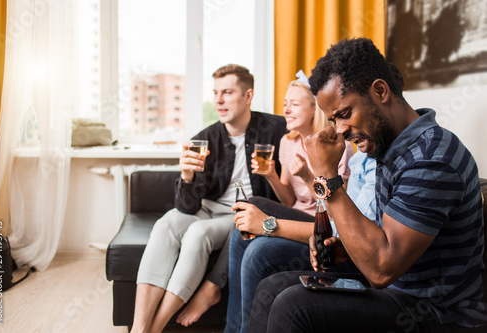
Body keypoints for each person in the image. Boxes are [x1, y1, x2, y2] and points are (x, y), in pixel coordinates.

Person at [246, 38, 487, 332]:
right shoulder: (390, 148)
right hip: (399, 289)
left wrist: (327, 177)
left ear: (380, 91)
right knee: (274, 287)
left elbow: (381, 268)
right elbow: (381, 234)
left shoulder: (431, 159)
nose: (341, 130)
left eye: (345, 114)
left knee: (293, 305)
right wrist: (347, 250)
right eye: (333, 120)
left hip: (437, 312)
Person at [130, 64, 287, 333]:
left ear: (248, 96)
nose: (219, 100)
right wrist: (187, 177)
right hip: (207, 208)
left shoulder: (276, 129)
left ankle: (153, 329)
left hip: (240, 213)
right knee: (165, 224)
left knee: (198, 233)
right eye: (215, 93)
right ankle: (138, 328)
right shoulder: (204, 139)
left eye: (227, 92)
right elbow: (188, 207)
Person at [225, 74, 356, 333]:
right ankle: (234, 328)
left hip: (322, 222)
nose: (285, 109)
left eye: (294, 104)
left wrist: (308, 177)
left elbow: (335, 212)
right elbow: (288, 200)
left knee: (255, 223)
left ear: (314, 108)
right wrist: (271, 175)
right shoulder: (288, 142)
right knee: (247, 215)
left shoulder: (339, 148)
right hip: (299, 214)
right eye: (285, 103)